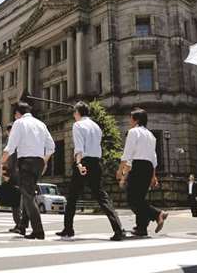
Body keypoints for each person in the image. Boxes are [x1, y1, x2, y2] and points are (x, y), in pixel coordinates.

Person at [57, 102, 124, 241]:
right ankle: (118, 229)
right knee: (101, 196)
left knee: (72, 197)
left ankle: (68, 229)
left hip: (84, 162)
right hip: (96, 162)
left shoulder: (78, 125)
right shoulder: (96, 126)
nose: (73, 115)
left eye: (74, 112)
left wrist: (79, 163)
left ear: (77, 112)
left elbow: (79, 147)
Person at [1, 102, 55, 240]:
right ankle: (23, 225)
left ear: (17, 113)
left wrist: (2, 160)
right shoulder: (41, 124)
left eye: (14, 115)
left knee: (28, 196)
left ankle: (38, 230)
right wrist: (45, 160)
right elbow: (51, 146)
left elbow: (11, 146)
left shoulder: (19, 123)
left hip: (26, 162)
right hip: (38, 162)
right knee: (28, 193)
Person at [116, 108, 168, 237]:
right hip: (148, 167)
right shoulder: (150, 135)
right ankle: (141, 228)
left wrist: (120, 170)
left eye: (131, 119)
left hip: (138, 166)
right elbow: (153, 157)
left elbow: (128, 153)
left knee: (133, 199)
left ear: (136, 120)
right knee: (140, 198)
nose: (129, 121)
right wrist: (153, 176)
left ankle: (157, 214)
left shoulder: (133, 132)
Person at [2, 123, 29, 234]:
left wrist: (5, 173)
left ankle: (18, 224)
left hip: (14, 174)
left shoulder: (11, 141)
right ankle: (23, 223)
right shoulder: (22, 139)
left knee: (15, 202)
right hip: (23, 172)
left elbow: (9, 159)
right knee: (23, 200)